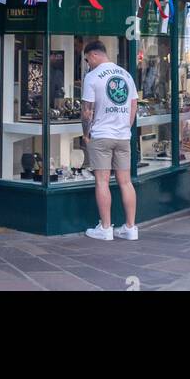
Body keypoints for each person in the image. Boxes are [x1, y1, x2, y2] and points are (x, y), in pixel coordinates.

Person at [81, 40, 139, 242]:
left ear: (95, 55)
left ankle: (105, 228)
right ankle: (131, 227)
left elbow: (87, 110)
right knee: (125, 181)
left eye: (88, 60)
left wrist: (86, 134)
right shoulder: (126, 75)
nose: (88, 63)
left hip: (102, 135)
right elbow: (133, 106)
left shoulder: (92, 77)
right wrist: (126, 128)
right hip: (123, 136)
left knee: (102, 181)